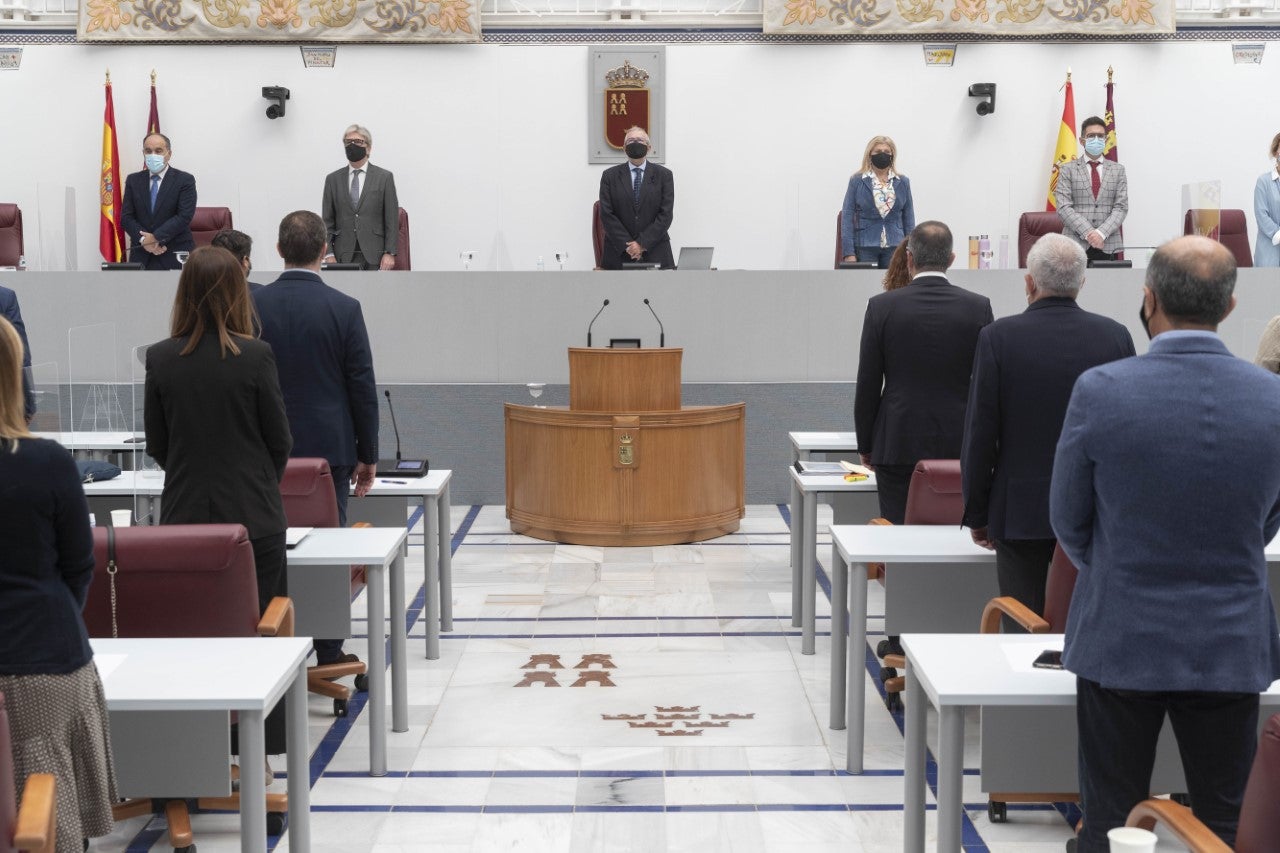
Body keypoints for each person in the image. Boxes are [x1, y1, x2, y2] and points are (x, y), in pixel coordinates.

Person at [1051, 235, 1280, 851]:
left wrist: (1119, 568)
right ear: (1230, 308)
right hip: (1230, 640)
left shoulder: (1101, 390)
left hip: (1122, 633)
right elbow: (1268, 520)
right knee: (1226, 820)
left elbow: (1068, 520)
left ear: (1147, 299)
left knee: (1109, 818)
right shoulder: (1273, 400)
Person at [960, 233, 1134, 628]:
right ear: (1082, 283)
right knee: (1090, 621)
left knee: (1022, 627)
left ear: (1029, 282)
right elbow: (1127, 431)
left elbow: (980, 434)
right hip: (1097, 510)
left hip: (1020, 510)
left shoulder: (997, 338)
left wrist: (978, 512)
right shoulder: (1115, 336)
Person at [0, 315, 118, 851]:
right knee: (51, 821)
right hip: (45, 663)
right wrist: (49, 617)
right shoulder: (46, 462)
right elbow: (78, 565)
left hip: (38, 656)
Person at [254, 210, 379, 666]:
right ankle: (327, 648)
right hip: (330, 449)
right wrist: (369, 454)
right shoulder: (344, 309)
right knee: (329, 545)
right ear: (325, 251)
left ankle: (273, 641)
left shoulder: (251, 306)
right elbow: (360, 386)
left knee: (268, 544)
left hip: (264, 451)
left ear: (279, 250)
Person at [144, 245, 293, 616]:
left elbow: (158, 443)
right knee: (261, 627)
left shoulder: (160, 358)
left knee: (191, 626)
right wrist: (257, 481)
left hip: (184, 514)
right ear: (237, 292)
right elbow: (280, 441)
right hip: (255, 515)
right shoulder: (256, 356)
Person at [854, 220, 993, 525]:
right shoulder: (978, 308)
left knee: (897, 536)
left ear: (909, 258)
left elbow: (868, 383)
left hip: (897, 443)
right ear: (952, 259)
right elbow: (987, 386)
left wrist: (866, 444)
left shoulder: (881, 307)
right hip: (959, 443)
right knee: (955, 537)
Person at [322, 124, 400, 270]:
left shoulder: (384, 177)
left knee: (374, 292)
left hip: (376, 254)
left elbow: (391, 219)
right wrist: (328, 254)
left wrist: (390, 252)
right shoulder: (333, 179)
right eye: (348, 142)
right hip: (342, 254)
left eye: (358, 142)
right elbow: (327, 221)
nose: (352, 145)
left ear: (368, 148)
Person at [598, 125, 675, 270]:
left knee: (658, 293)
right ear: (624, 147)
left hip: (655, 251)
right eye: (631, 140)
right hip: (618, 252)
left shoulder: (664, 175)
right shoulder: (609, 176)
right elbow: (606, 214)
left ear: (649, 147)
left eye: (640, 140)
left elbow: (665, 215)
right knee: (617, 293)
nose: (635, 143)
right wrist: (628, 245)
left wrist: (641, 244)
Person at [1054, 116, 1128, 263]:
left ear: (1106, 140)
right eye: (1091, 136)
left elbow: (1121, 207)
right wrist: (1089, 233)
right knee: (1072, 286)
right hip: (1074, 244)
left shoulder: (1118, 170)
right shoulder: (1067, 169)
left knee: (1108, 286)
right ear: (1082, 141)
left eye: (1100, 136)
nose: (1096, 139)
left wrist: (1101, 233)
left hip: (1108, 245)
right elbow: (1063, 207)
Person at [120, 132, 196, 270]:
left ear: (169, 153)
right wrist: (145, 241)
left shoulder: (185, 180)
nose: (153, 155)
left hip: (174, 253)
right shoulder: (133, 180)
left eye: (158, 150)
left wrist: (155, 238)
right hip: (142, 255)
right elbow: (126, 217)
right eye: (148, 151)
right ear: (143, 153)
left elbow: (184, 216)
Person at [841, 136, 915, 269]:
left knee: (894, 287)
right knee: (867, 287)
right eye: (878, 151)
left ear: (892, 155)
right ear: (870, 155)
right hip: (865, 246)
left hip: (896, 247)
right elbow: (847, 218)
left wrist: (910, 249)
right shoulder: (857, 181)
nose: (883, 155)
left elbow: (909, 218)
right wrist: (848, 253)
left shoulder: (903, 181)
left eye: (887, 152)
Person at [0, 284, 34, 420]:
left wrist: (27, 401)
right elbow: (19, 351)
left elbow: (20, 353)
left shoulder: (5, 297)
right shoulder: (5, 296)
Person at [1253, 131, 1280, 267]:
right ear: (1276, 152)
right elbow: (1261, 214)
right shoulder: (1263, 181)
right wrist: (1277, 233)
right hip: (1269, 248)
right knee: (1268, 286)